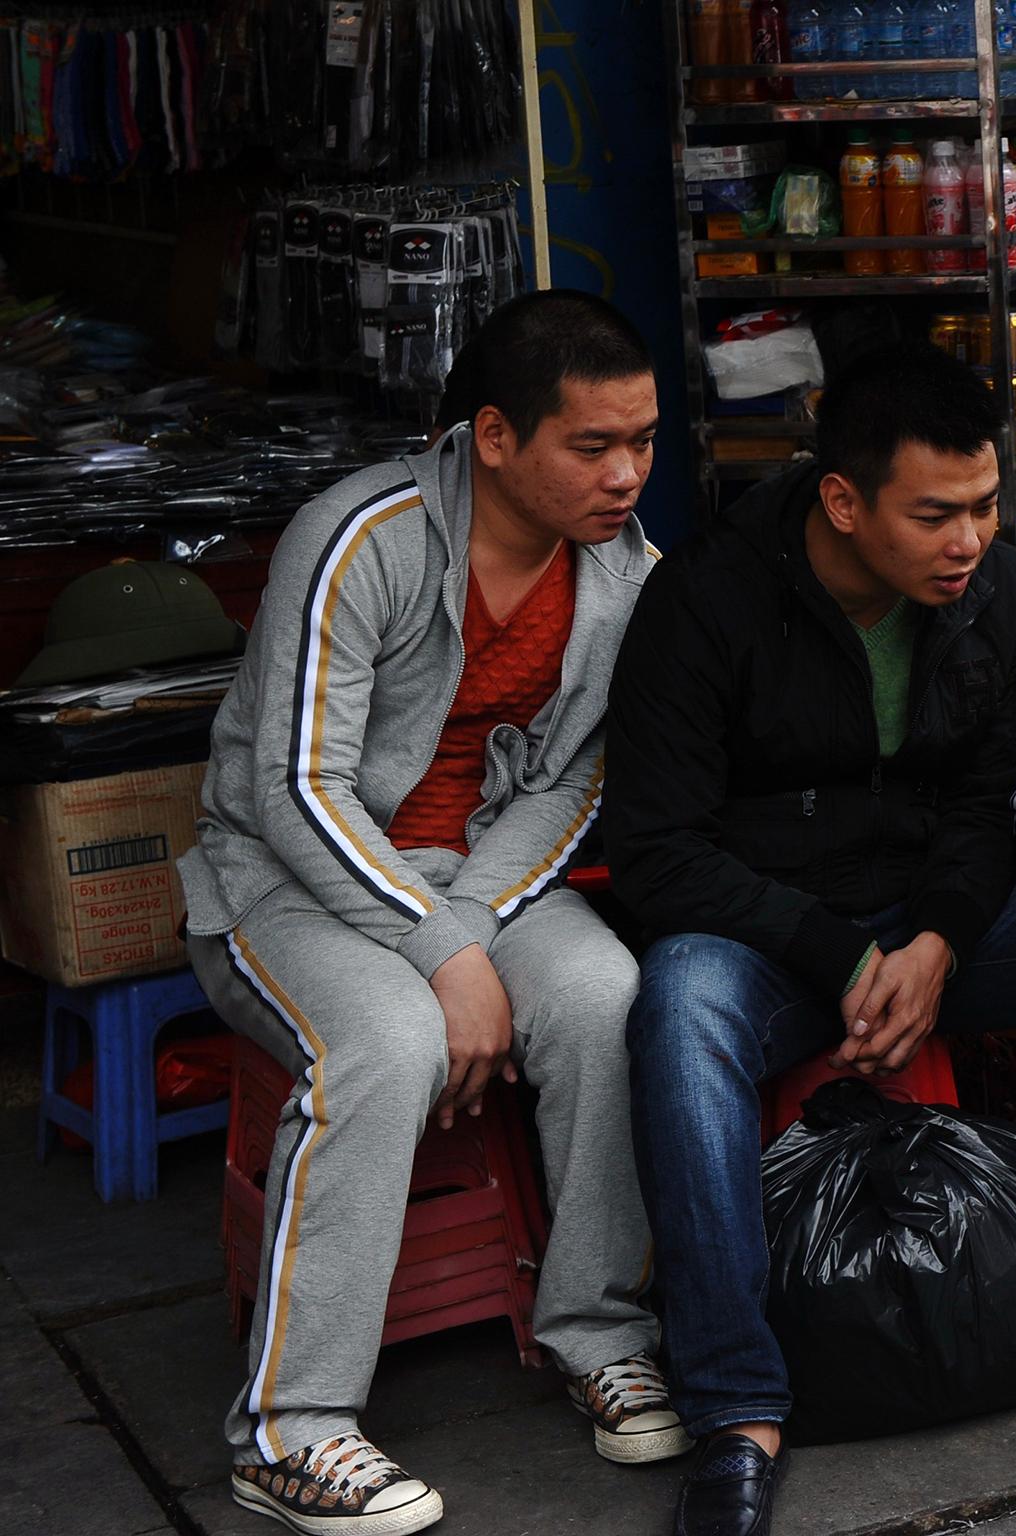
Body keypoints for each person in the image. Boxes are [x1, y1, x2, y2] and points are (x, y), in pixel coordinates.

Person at [178, 290, 677, 1536]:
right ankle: (289, 1434)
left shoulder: (627, 576)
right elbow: (293, 785)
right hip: (279, 879)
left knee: (608, 996)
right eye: (593, 446)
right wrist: (446, 953)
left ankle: (595, 1335)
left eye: (645, 441)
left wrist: (460, 922)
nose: (627, 475)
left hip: (472, 877)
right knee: (389, 1039)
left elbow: (574, 781)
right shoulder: (362, 535)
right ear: (497, 436)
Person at [608, 347, 1016, 1536]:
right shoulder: (707, 598)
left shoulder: (997, 590)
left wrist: (941, 941)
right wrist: (834, 953)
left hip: (936, 923)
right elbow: (655, 850)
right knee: (678, 1010)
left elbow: (983, 802)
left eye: (985, 507)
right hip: (777, 934)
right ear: (844, 501)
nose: (971, 542)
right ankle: (736, 1407)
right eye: (937, 515)